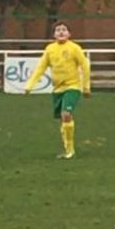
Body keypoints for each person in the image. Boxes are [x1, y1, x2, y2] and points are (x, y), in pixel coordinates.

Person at [24, 21, 90, 159]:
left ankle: (70, 150)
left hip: (73, 87)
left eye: (64, 29)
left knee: (66, 114)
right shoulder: (50, 49)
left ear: (69, 34)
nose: (61, 32)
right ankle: (67, 148)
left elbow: (85, 66)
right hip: (57, 89)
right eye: (58, 30)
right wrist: (30, 84)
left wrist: (86, 86)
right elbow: (41, 67)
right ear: (54, 34)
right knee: (63, 119)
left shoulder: (74, 48)